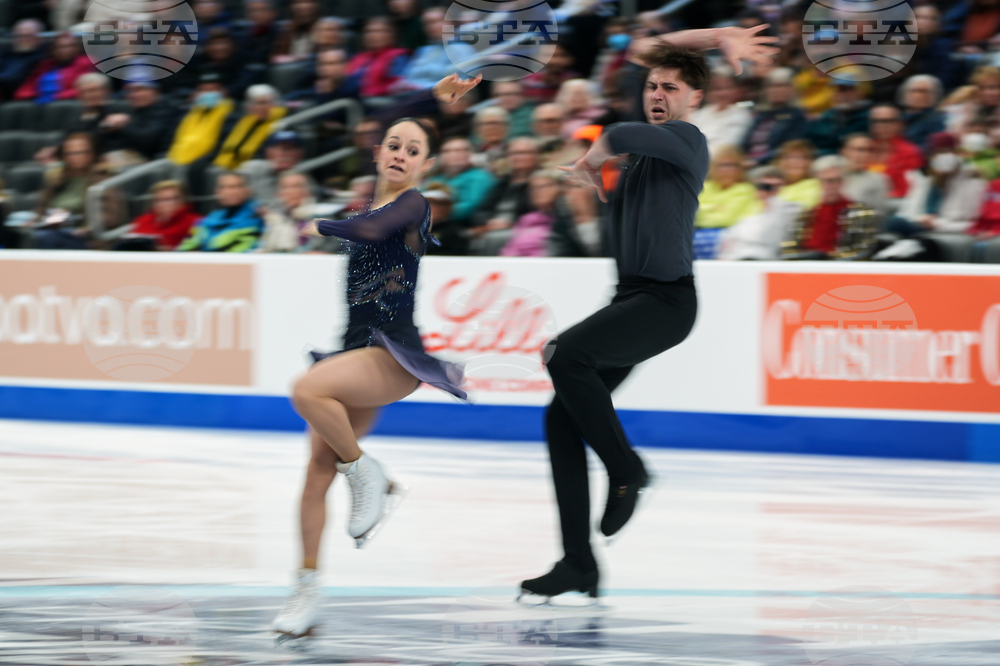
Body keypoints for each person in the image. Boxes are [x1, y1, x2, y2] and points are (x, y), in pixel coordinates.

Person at [520, 26, 777, 601]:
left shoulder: (688, 142)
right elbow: (641, 45)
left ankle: (627, 468)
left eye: (671, 87)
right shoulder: (638, 156)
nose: (657, 92)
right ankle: (578, 563)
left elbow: (616, 130)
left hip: (665, 303)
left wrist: (596, 151)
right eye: (652, 86)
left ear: (695, 99)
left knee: (563, 354)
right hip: (633, 299)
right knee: (560, 417)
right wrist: (717, 36)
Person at [270, 73, 480, 639]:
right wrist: (430, 98)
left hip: (392, 356)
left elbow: (372, 229)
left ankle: (366, 472)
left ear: (425, 165)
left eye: (414, 150)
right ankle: (305, 591)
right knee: (315, 474)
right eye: (394, 145)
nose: (402, 153)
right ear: (377, 150)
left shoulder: (412, 206)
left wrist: (314, 222)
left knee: (305, 389)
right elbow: (391, 120)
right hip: (354, 347)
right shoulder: (372, 199)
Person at [717, 165, 800, 260]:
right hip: (737, 260)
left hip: (766, 259)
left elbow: (770, 235)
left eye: (776, 187)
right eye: (764, 187)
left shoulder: (791, 209)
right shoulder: (745, 215)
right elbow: (727, 246)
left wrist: (774, 200)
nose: (770, 191)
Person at [693, 145, 761, 259]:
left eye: (731, 165)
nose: (726, 170)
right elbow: (691, 214)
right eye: (721, 165)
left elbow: (727, 219)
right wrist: (716, 209)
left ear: (740, 168)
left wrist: (707, 209)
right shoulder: (704, 187)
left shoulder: (746, 190)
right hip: (697, 233)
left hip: (731, 237)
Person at [176, 172, 264, 252]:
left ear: (247, 191)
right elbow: (187, 246)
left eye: (234, 187)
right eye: (223, 187)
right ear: (217, 192)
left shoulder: (256, 218)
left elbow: (241, 251)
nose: (228, 191)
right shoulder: (211, 217)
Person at [167, 74, 236, 166]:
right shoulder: (189, 114)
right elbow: (172, 140)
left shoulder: (231, 114)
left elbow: (224, 144)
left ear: (223, 91)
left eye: (212, 90)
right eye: (204, 90)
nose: (208, 94)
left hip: (205, 161)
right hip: (176, 158)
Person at [213, 84, 286, 170]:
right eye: (258, 103)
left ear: (276, 104)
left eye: (266, 102)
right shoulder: (243, 122)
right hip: (234, 163)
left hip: (260, 164)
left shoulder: (282, 123)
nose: (263, 107)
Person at [117, 180, 201, 251]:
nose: (166, 204)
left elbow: (199, 250)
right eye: (160, 200)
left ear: (183, 200)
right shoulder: (142, 220)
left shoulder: (195, 221)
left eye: (171, 199)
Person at [689, 66, 752, 156]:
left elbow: (726, 147)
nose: (722, 94)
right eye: (716, 89)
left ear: (737, 90)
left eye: (727, 88)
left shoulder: (742, 116)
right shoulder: (698, 114)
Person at [14, 32, 93, 102]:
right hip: (39, 103)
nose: (65, 50)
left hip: (66, 103)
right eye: (60, 47)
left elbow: (86, 89)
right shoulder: (44, 65)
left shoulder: (86, 63)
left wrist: (55, 97)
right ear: (53, 50)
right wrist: (32, 96)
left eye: (70, 46)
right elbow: (26, 88)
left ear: (77, 48)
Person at [869, 103, 925, 198]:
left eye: (887, 121)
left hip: (899, 202)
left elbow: (913, 188)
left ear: (899, 124)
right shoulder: (865, 148)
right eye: (876, 121)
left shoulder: (910, 152)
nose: (881, 125)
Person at [0, 19, 47, 100]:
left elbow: (14, 79)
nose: (23, 39)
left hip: (18, 94)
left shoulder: (43, 57)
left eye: (28, 36)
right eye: (19, 36)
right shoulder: (7, 55)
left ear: (39, 37)